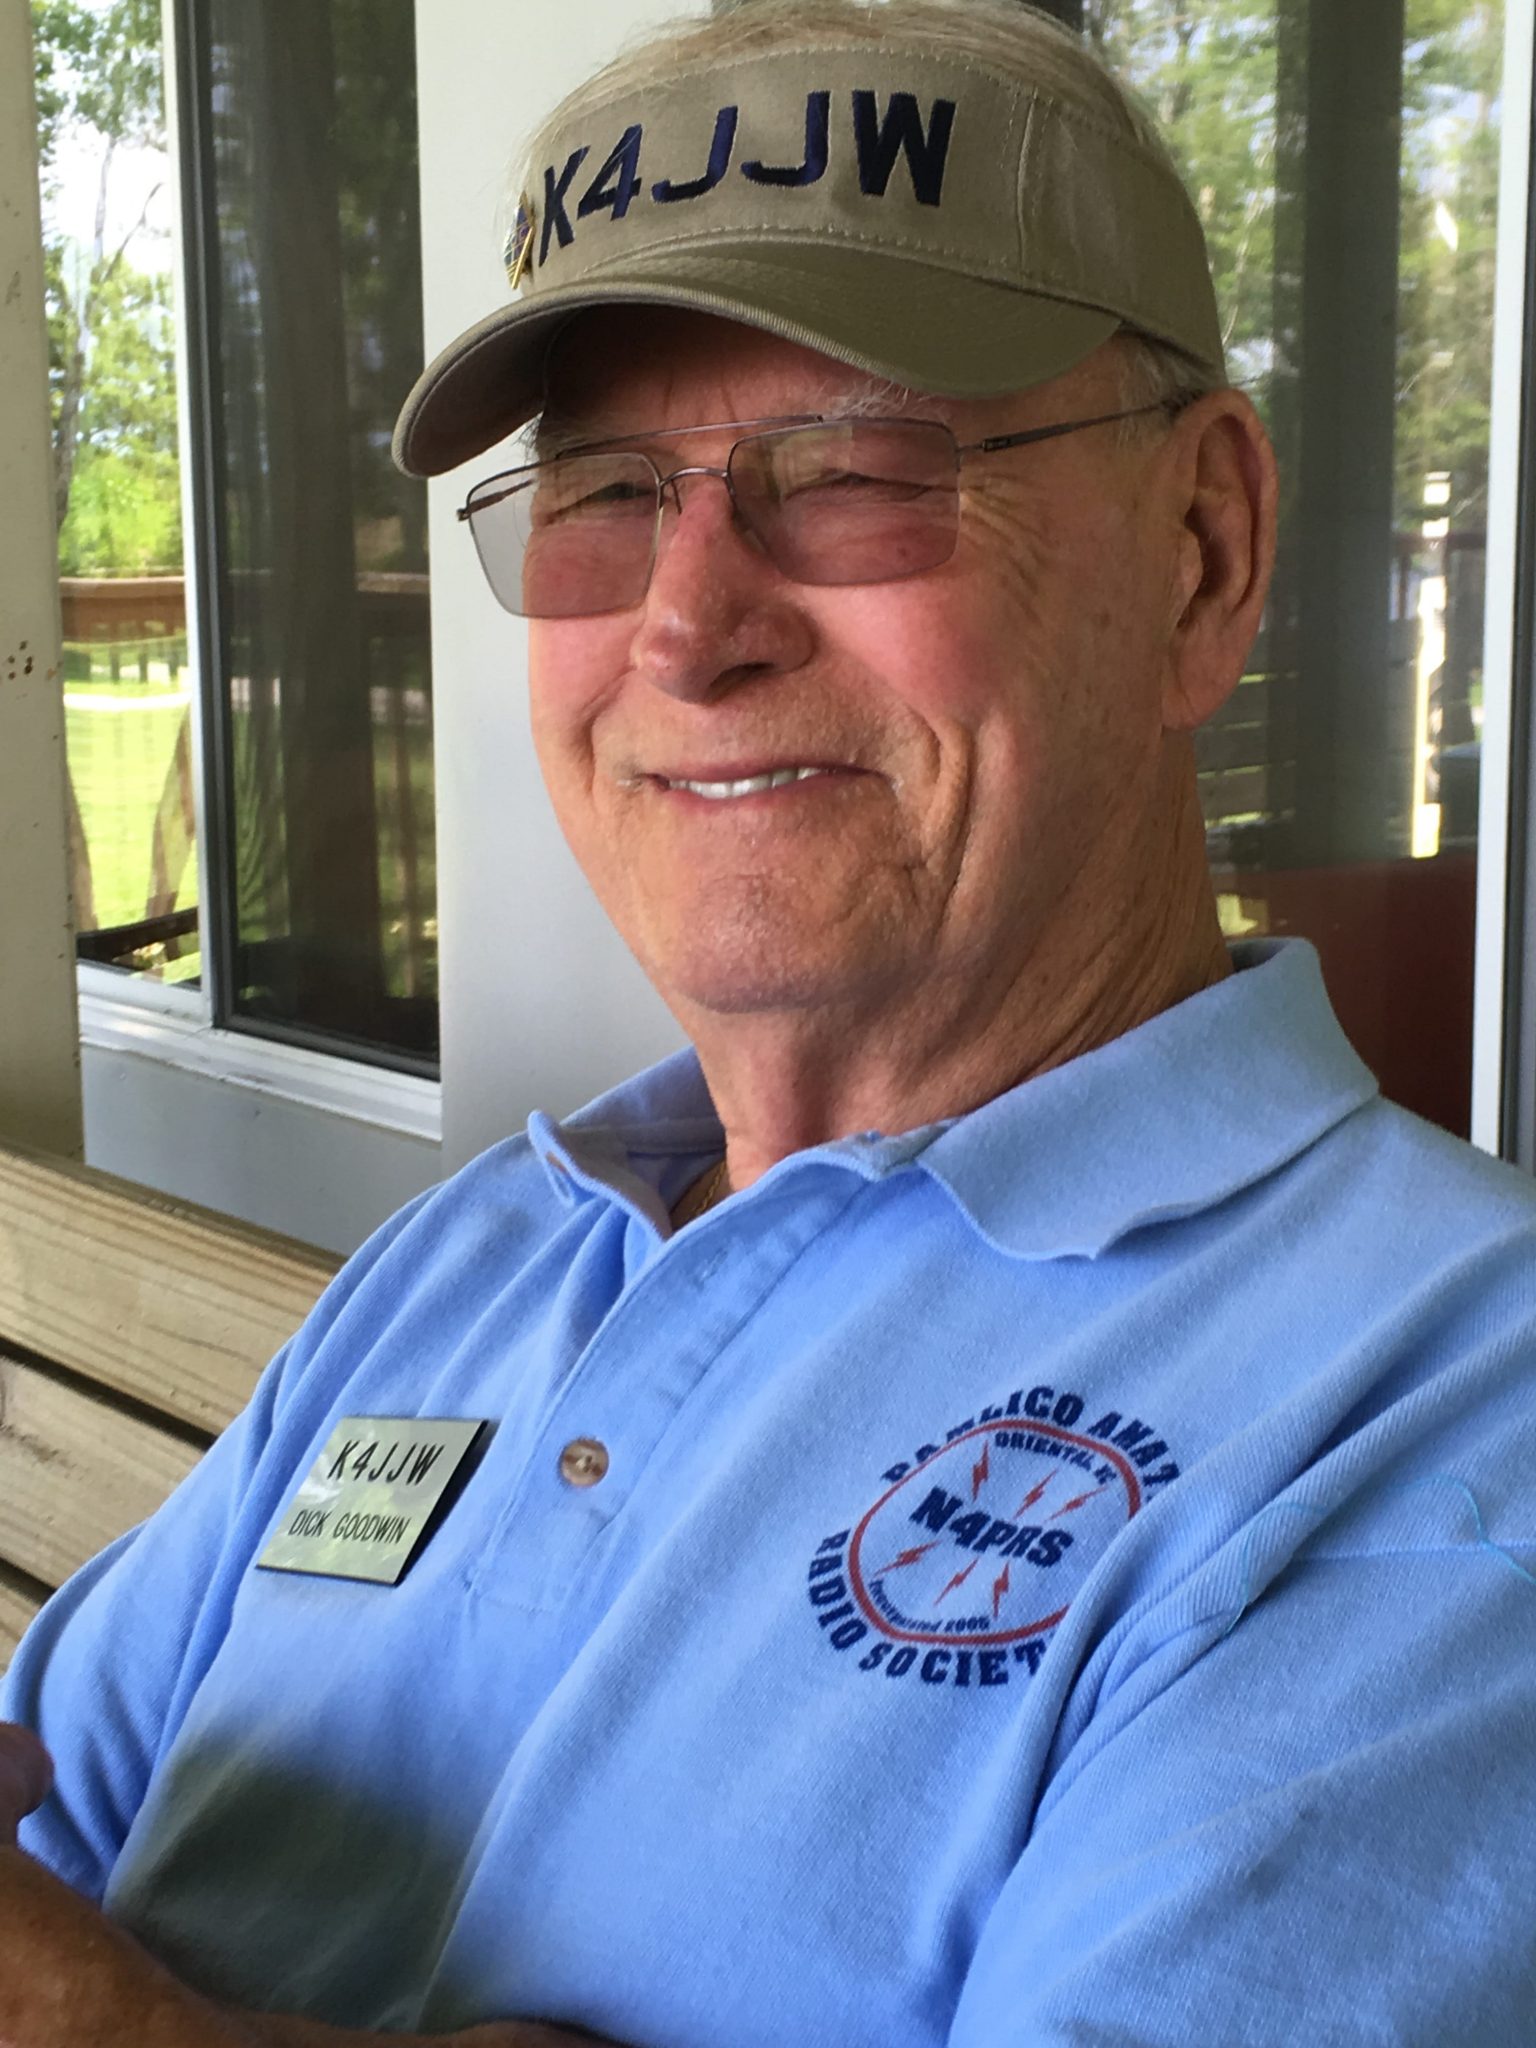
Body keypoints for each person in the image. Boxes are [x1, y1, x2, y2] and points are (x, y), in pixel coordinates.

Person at [3, 1, 1534, 2042]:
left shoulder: (1444, 1410)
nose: (686, 626)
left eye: (859, 467)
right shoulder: (486, 1251)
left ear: (1203, 554)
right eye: (607, 491)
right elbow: (56, 1819)